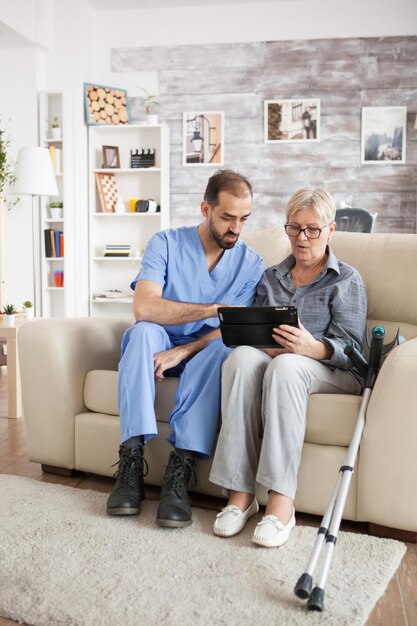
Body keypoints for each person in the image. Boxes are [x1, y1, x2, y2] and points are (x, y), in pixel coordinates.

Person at [209, 188, 367, 547]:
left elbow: (352, 350)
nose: (301, 238)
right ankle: (240, 495)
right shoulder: (270, 277)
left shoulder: (346, 280)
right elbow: (253, 332)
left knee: (288, 368)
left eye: (312, 229)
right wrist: (259, 343)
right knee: (241, 357)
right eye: (294, 228)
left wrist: (313, 347)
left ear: (330, 230)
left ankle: (281, 502)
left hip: (332, 372)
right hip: (278, 360)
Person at [107, 169, 264, 528]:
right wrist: (213, 309)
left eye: (243, 219)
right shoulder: (165, 243)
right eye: (227, 217)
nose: (235, 228)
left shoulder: (251, 264)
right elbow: (145, 308)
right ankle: (130, 462)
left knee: (224, 346)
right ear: (205, 208)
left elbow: (232, 328)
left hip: (202, 353)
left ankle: (180, 470)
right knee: (143, 333)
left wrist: (184, 350)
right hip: (158, 340)